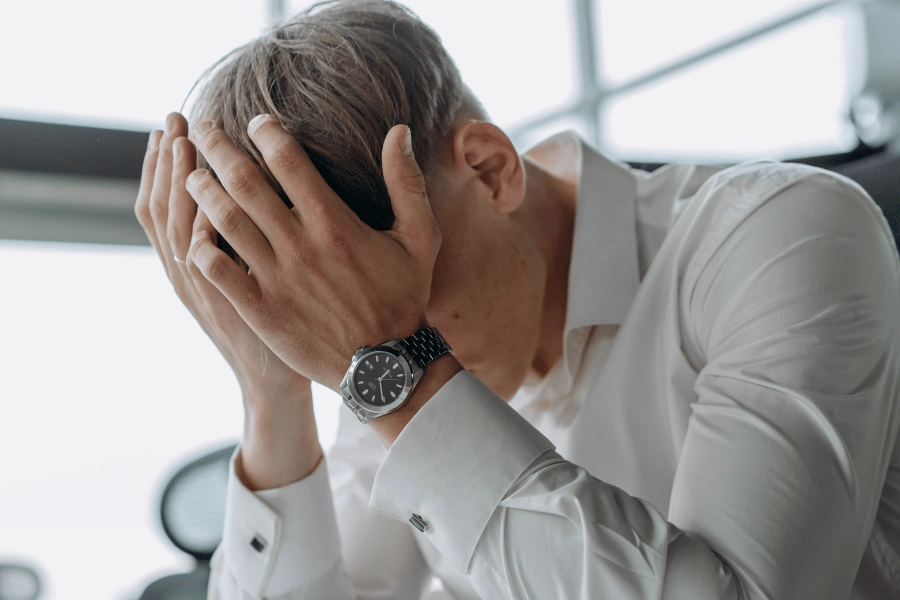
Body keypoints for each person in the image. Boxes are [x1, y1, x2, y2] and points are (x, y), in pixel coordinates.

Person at [134, 1, 900, 598]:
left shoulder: (780, 233)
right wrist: (271, 393)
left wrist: (400, 365)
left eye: (398, 301)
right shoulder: (383, 361)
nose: (374, 346)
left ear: (491, 168)